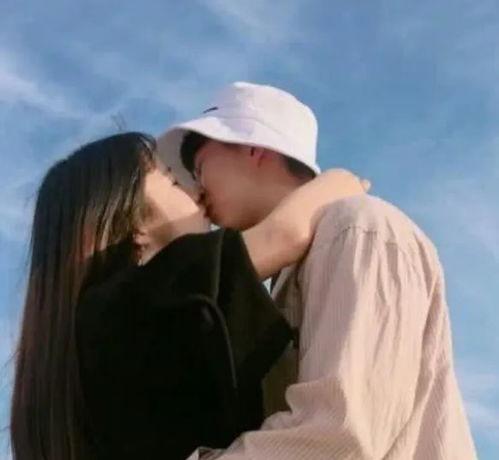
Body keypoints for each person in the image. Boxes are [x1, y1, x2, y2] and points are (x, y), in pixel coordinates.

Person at [157, 81, 477, 459]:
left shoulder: (356, 228)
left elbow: (338, 435)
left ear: (253, 147)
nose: (197, 190)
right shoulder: (302, 265)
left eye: (199, 168)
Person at [9, 132, 368, 460]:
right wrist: (340, 183)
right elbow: (286, 233)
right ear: (134, 223)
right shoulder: (139, 299)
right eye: (171, 178)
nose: (196, 191)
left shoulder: (81, 338)